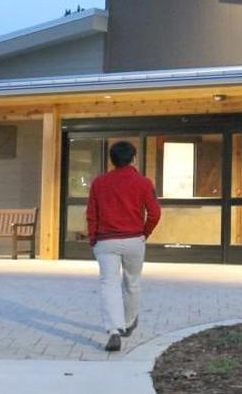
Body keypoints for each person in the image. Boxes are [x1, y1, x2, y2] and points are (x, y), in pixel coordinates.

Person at [86, 140, 161, 352]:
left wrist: (93, 238)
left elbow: (92, 214)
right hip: (134, 240)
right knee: (132, 282)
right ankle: (128, 323)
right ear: (134, 158)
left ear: (112, 160)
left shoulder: (99, 183)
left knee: (108, 284)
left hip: (106, 240)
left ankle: (114, 330)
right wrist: (144, 233)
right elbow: (155, 213)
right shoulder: (144, 183)